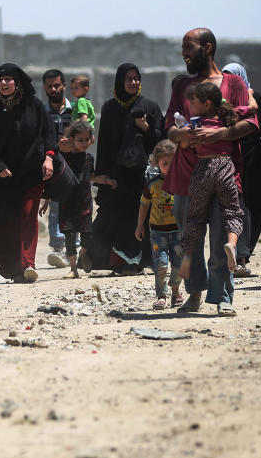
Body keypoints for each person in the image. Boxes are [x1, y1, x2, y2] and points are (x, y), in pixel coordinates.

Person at [165, 28, 257, 317]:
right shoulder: (182, 86)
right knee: (187, 239)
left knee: (220, 240)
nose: (183, 52)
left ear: (207, 47)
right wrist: (182, 135)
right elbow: (169, 125)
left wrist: (216, 135)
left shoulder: (233, 84)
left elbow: (251, 123)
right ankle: (194, 294)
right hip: (185, 176)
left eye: (188, 46)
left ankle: (223, 297)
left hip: (223, 175)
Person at [0, 63, 55, 283]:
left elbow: (49, 134)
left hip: (31, 174)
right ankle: (11, 268)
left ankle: (28, 263)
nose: (4, 83)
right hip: (3, 178)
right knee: (5, 223)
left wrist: (49, 158)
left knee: (28, 216)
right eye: (0, 79)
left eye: (9, 79)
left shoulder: (35, 106)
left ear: (18, 82)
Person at [88, 63, 164, 275]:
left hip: (142, 175)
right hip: (116, 176)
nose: (133, 82)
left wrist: (145, 128)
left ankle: (131, 263)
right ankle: (97, 257)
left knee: (137, 219)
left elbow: (161, 141)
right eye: (128, 79)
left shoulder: (150, 107)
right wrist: (101, 175)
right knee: (110, 217)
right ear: (120, 82)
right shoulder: (110, 108)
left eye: (136, 78)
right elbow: (103, 145)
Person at [176, 83, 244, 285]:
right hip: (226, 169)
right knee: (232, 212)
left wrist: (183, 131)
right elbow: (250, 109)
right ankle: (232, 244)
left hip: (204, 170)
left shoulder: (197, 125)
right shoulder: (227, 121)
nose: (190, 106)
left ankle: (187, 257)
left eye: (193, 102)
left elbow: (185, 144)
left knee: (194, 218)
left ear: (206, 105)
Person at [221, 61, 261, 277]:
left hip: (257, 167)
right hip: (230, 166)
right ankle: (240, 258)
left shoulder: (258, 100)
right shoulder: (221, 103)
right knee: (238, 209)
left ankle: (245, 253)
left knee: (257, 209)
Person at [51, 120, 114, 279]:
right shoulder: (64, 157)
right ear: (71, 139)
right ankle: (73, 269)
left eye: (87, 139)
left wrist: (104, 180)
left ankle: (83, 253)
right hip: (66, 202)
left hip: (85, 202)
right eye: (80, 140)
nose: (85, 143)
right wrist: (46, 201)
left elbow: (89, 177)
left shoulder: (89, 158)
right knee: (69, 235)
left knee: (88, 236)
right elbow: (57, 178)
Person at [135, 139, 183, 310]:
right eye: (164, 163)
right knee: (161, 264)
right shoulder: (152, 185)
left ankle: (176, 292)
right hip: (158, 233)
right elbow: (144, 205)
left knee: (178, 264)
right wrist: (140, 225)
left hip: (178, 232)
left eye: (172, 163)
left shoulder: (181, 183)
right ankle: (161, 295)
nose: (168, 167)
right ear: (156, 163)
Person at [42, 69, 74, 267]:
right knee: (55, 208)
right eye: (49, 86)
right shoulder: (43, 113)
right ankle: (59, 249)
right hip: (54, 168)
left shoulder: (78, 110)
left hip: (75, 167)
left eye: (57, 85)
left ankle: (75, 249)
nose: (53, 89)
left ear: (63, 86)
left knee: (77, 207)